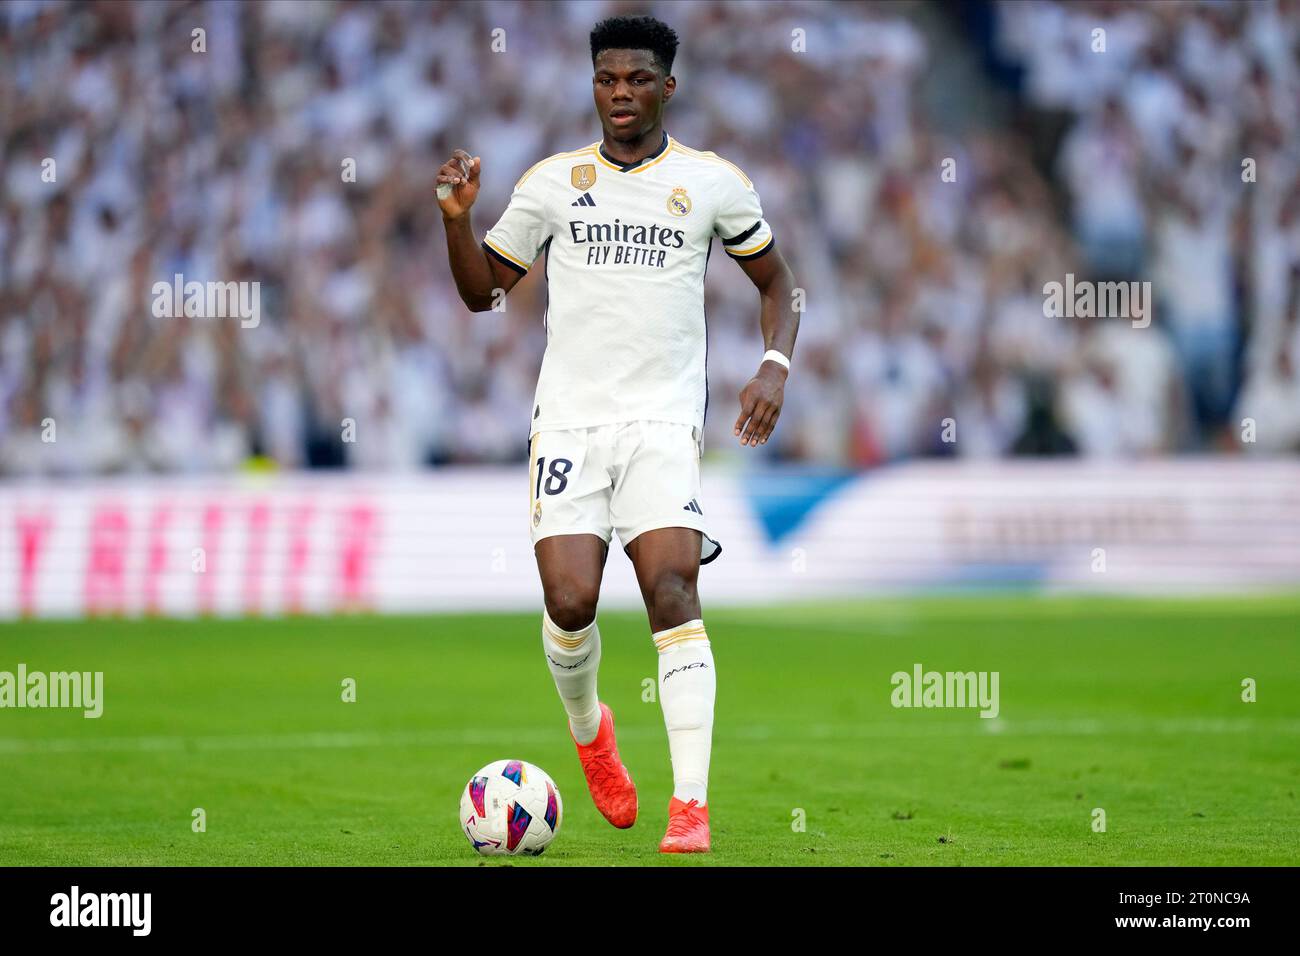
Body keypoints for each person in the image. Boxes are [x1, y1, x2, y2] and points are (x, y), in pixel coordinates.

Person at [437, 15, 797, 853]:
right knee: (570, 602)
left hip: (663, 424)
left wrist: (774, 364)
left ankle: (691, 806)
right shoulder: (552, 184)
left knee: (671, 589)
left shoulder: (712, 184)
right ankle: (591, 731)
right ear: (593, 86)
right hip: (568, 421)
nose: (621, 93)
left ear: (667, 87)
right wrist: (458, 220)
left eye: (637, 79)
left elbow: (778, 282)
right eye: (607, 80)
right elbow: (482, 294)